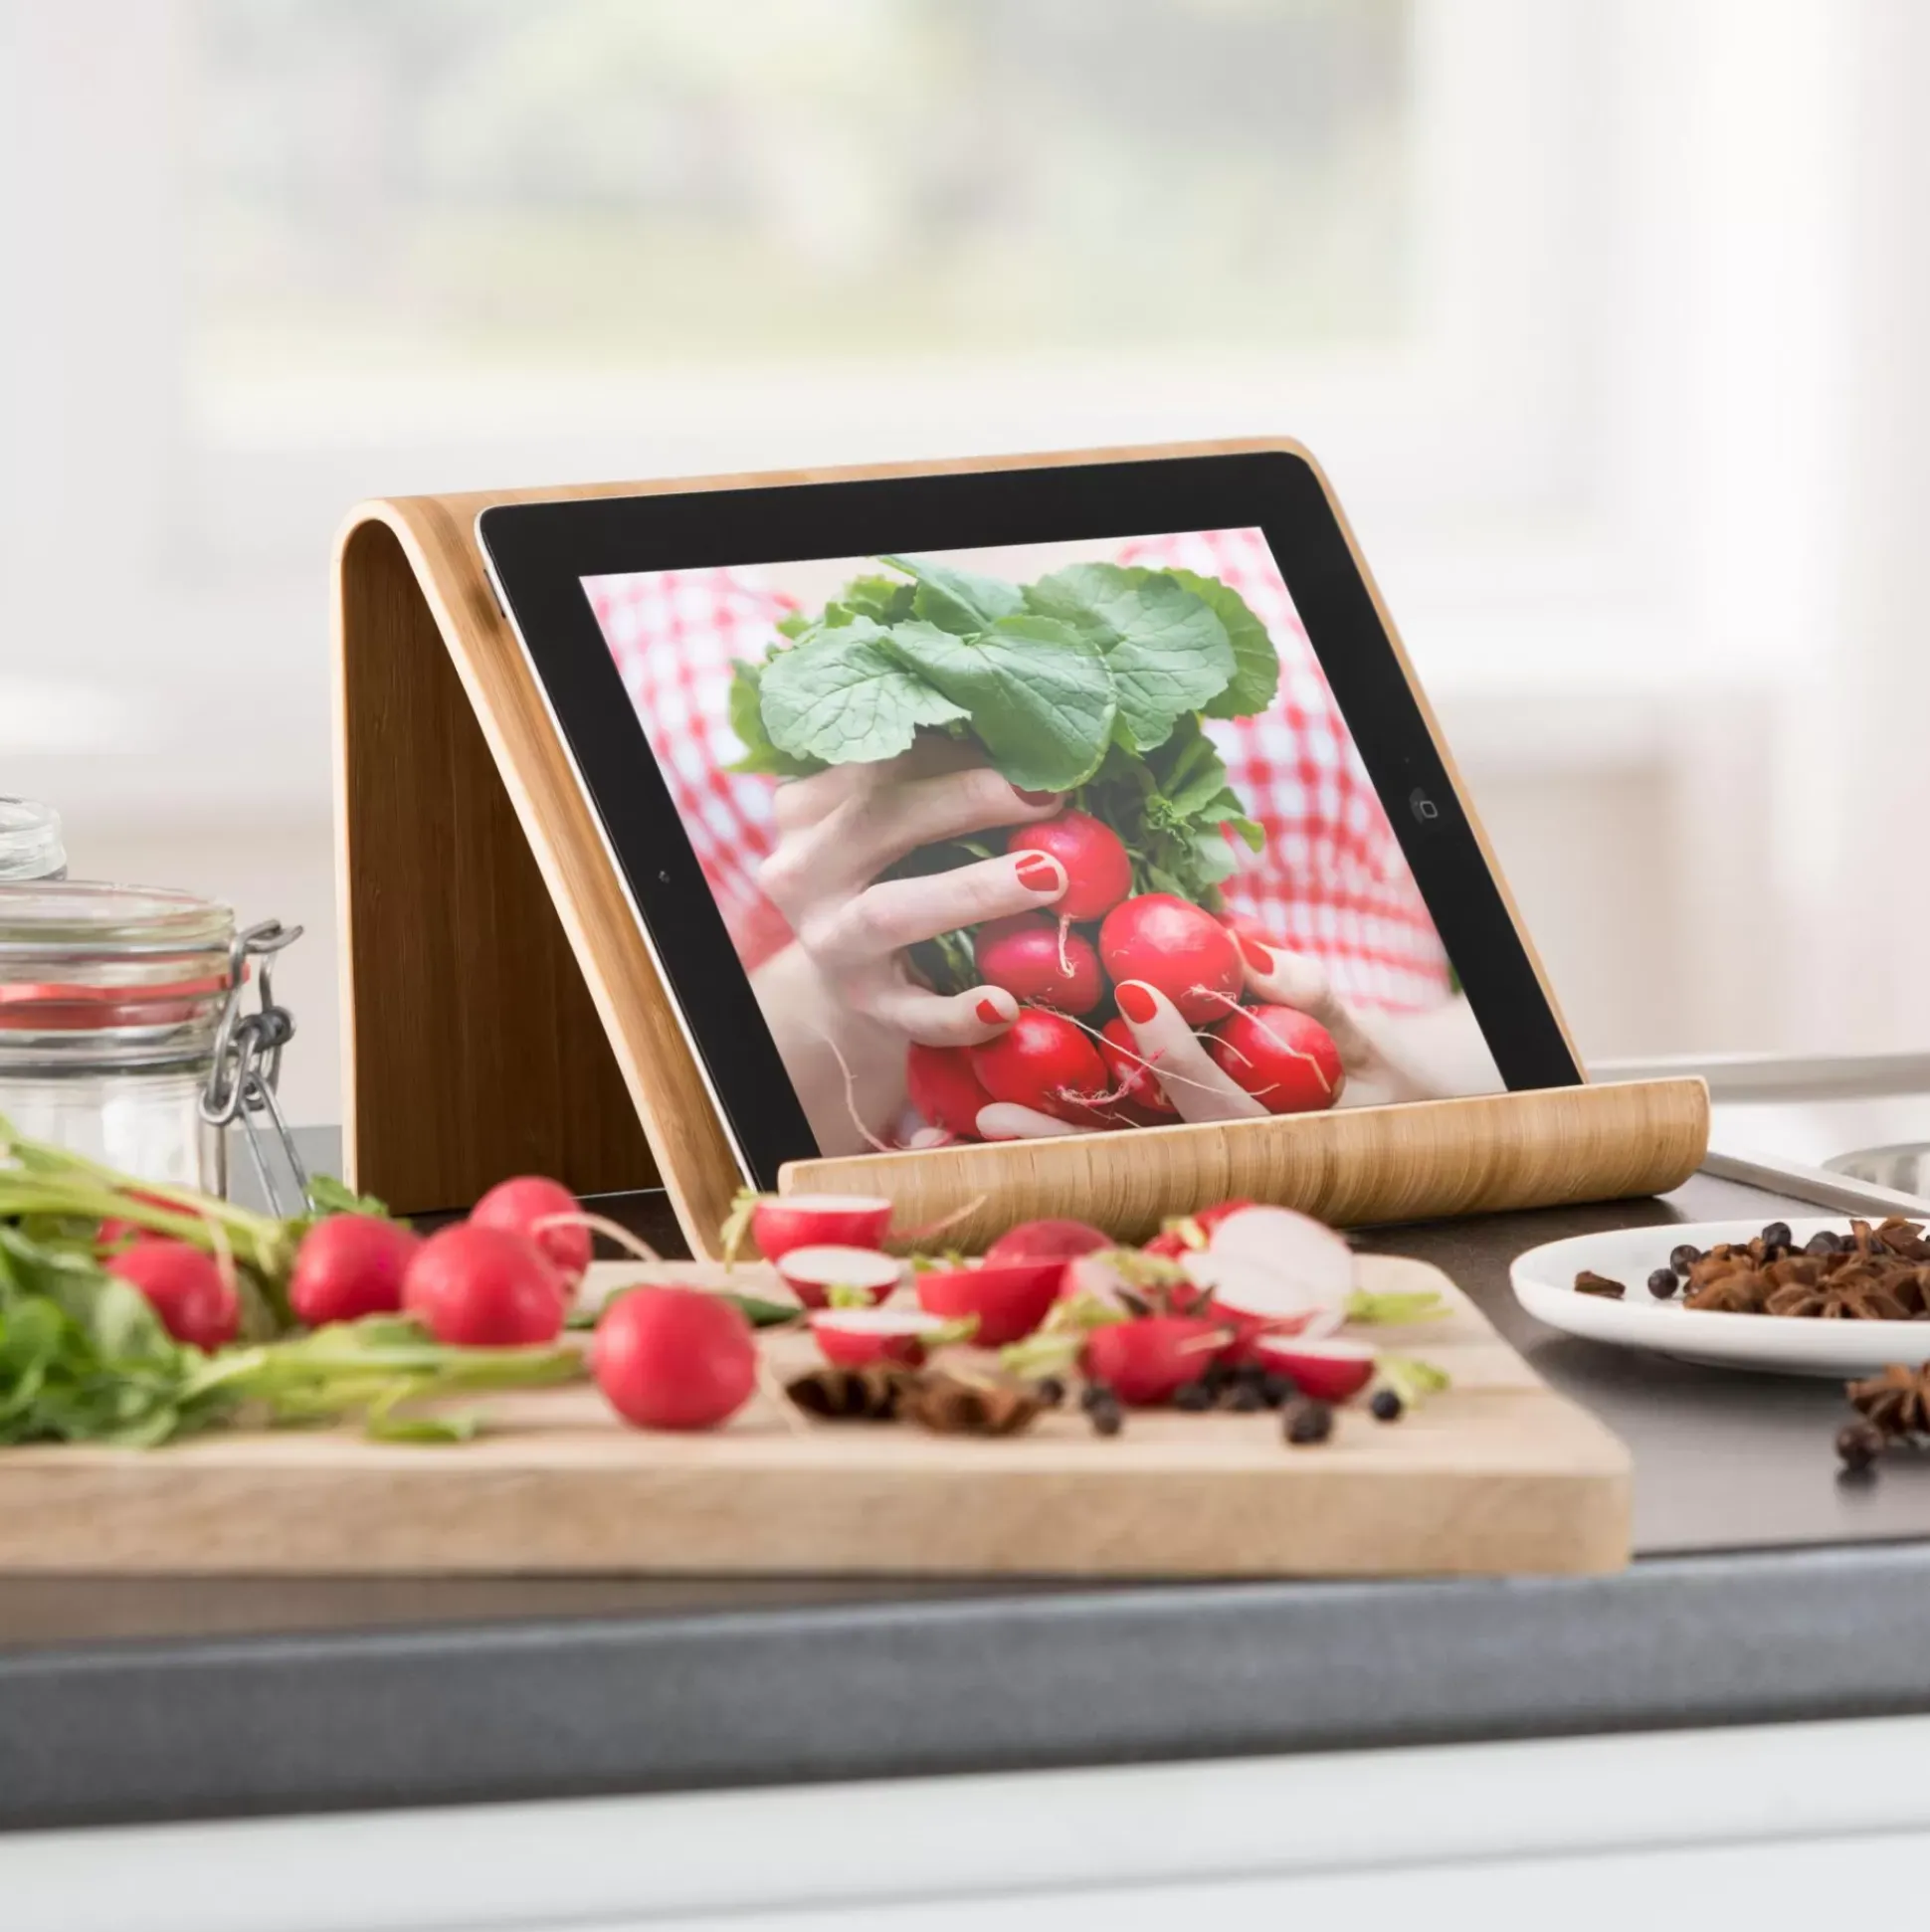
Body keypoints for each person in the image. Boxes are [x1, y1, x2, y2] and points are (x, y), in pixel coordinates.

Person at [591, 528, 1501, 1155]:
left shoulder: (1277, 496)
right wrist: (851, 998)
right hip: (926, 1210)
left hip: (1378, 1175)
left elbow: (1521, 1029)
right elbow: (661, 1147)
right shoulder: (610, 577)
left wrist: (1403, 1095)